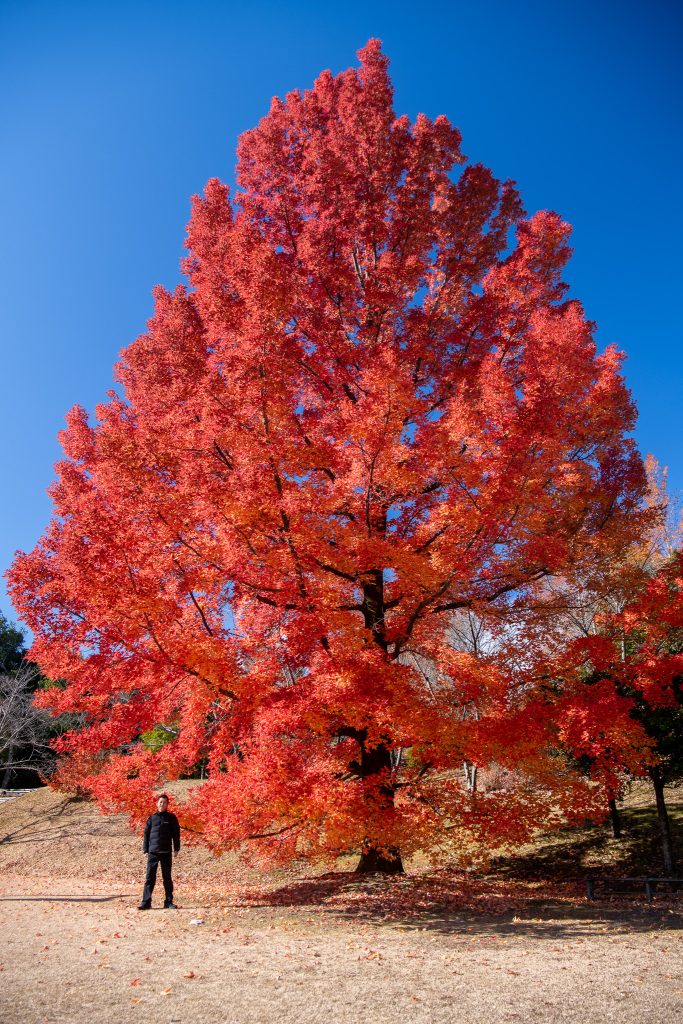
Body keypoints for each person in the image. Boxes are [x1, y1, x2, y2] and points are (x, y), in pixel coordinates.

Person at [137, 793, 181, 910]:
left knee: (167, 878)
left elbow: (176, 834)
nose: (162, 804)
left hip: (166, 852)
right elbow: (146, 834)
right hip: (153, 852)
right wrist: (145, 849)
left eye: (165, 802)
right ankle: (146, 902)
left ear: (167, 805)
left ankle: (168, 901)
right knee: (150, 877)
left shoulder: (171, 818)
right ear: (157, 804)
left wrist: (176, 848)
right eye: (160, 802)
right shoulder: (152, 818)